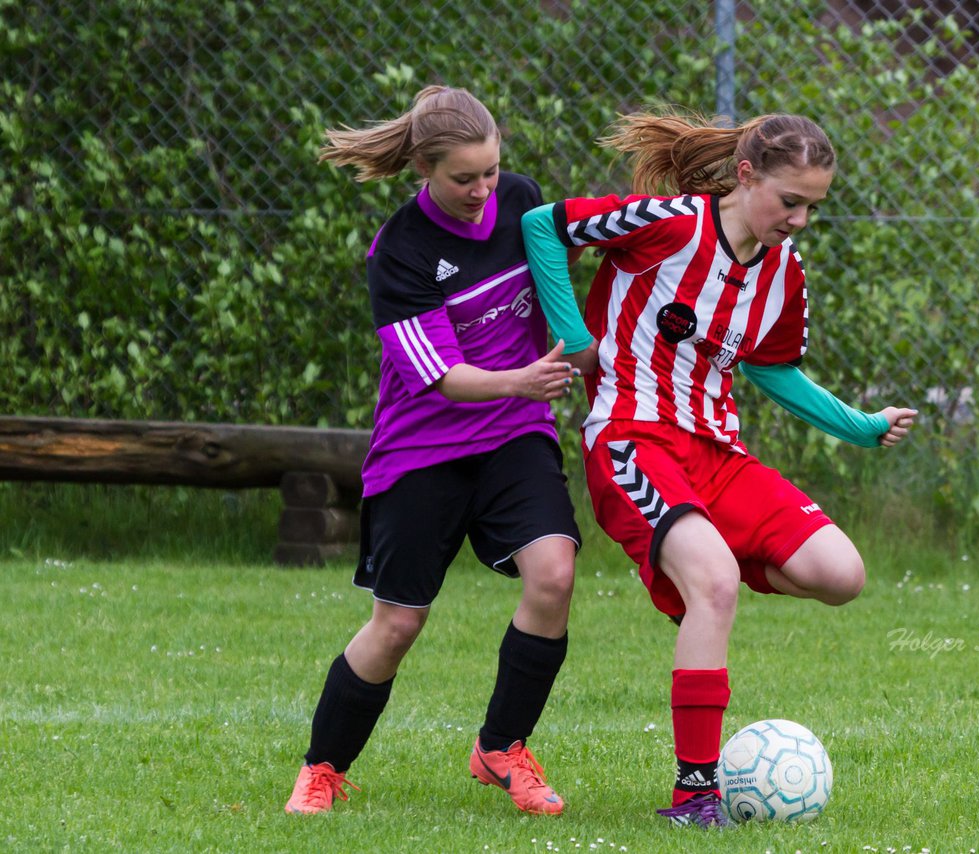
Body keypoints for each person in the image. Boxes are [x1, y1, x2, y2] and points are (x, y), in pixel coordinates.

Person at [521, 110, 917, 827]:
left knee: (840, 576)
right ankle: (695, 796)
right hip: (631, 439)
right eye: (789, 201)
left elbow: (777, 372)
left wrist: (862, 427)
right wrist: (575, 337)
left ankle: (706, 566)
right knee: (717, 584)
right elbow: (544, 225)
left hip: (718, 454)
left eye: (812, 207)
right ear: (745, 175)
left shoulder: (783, 271)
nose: (798, 220)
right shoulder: (669, 222)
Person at [284, 85, 583, 817]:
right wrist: (523, 378)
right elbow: (444, 380)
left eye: (491, 171)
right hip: (424, 448)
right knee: (398, 623)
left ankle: (501, 748)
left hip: (515, 433)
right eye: (464, 178)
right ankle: (321, 768)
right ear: (424, 167)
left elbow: (557, 284)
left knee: (554, 573)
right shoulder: (401, 252)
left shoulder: (520, 200)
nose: (483, 191)